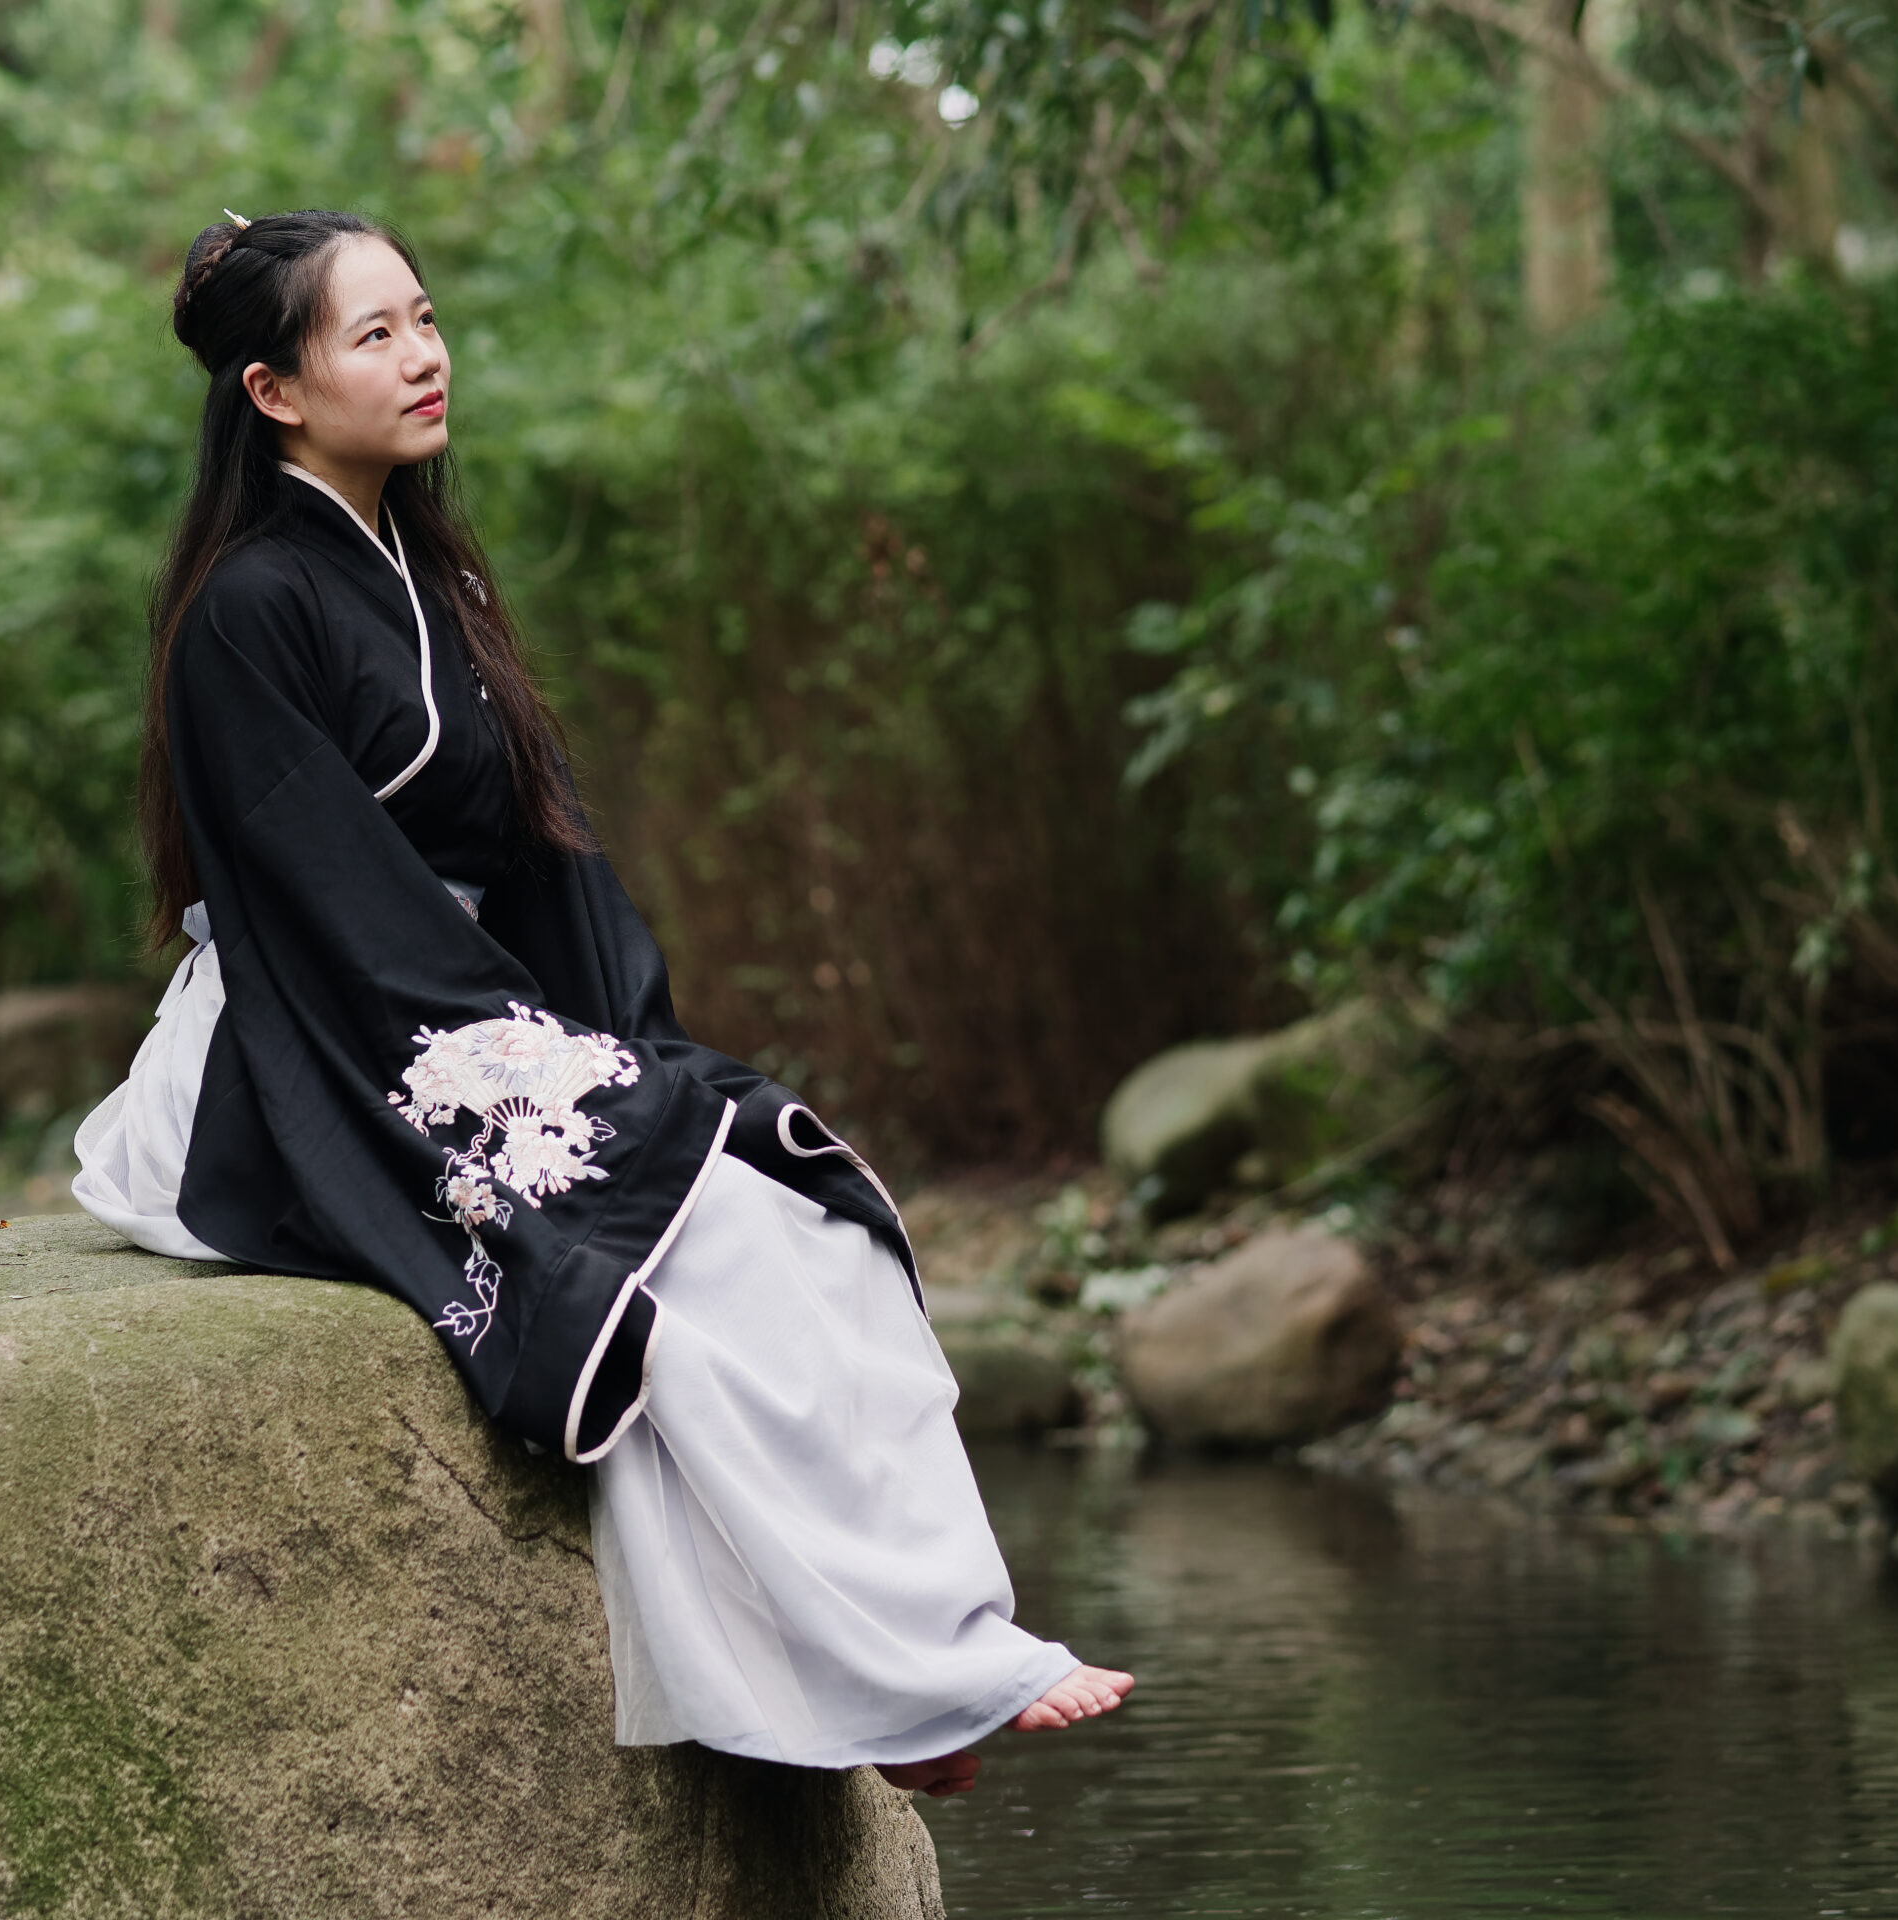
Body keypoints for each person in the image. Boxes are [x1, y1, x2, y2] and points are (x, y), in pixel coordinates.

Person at [73, 208, 1132, 1798]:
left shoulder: (436, 573)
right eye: (375, 335)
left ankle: (902, 1678)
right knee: (641, 1255)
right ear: (273, 391)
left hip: (467, 1009)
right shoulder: (248, 613)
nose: (426, 356)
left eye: (425, 317)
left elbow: (549, 854)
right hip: (312, 1034)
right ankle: (901, 1683)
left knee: (797, 1208)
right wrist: (524, 1057)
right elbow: (323, 896)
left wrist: (621, 1040)